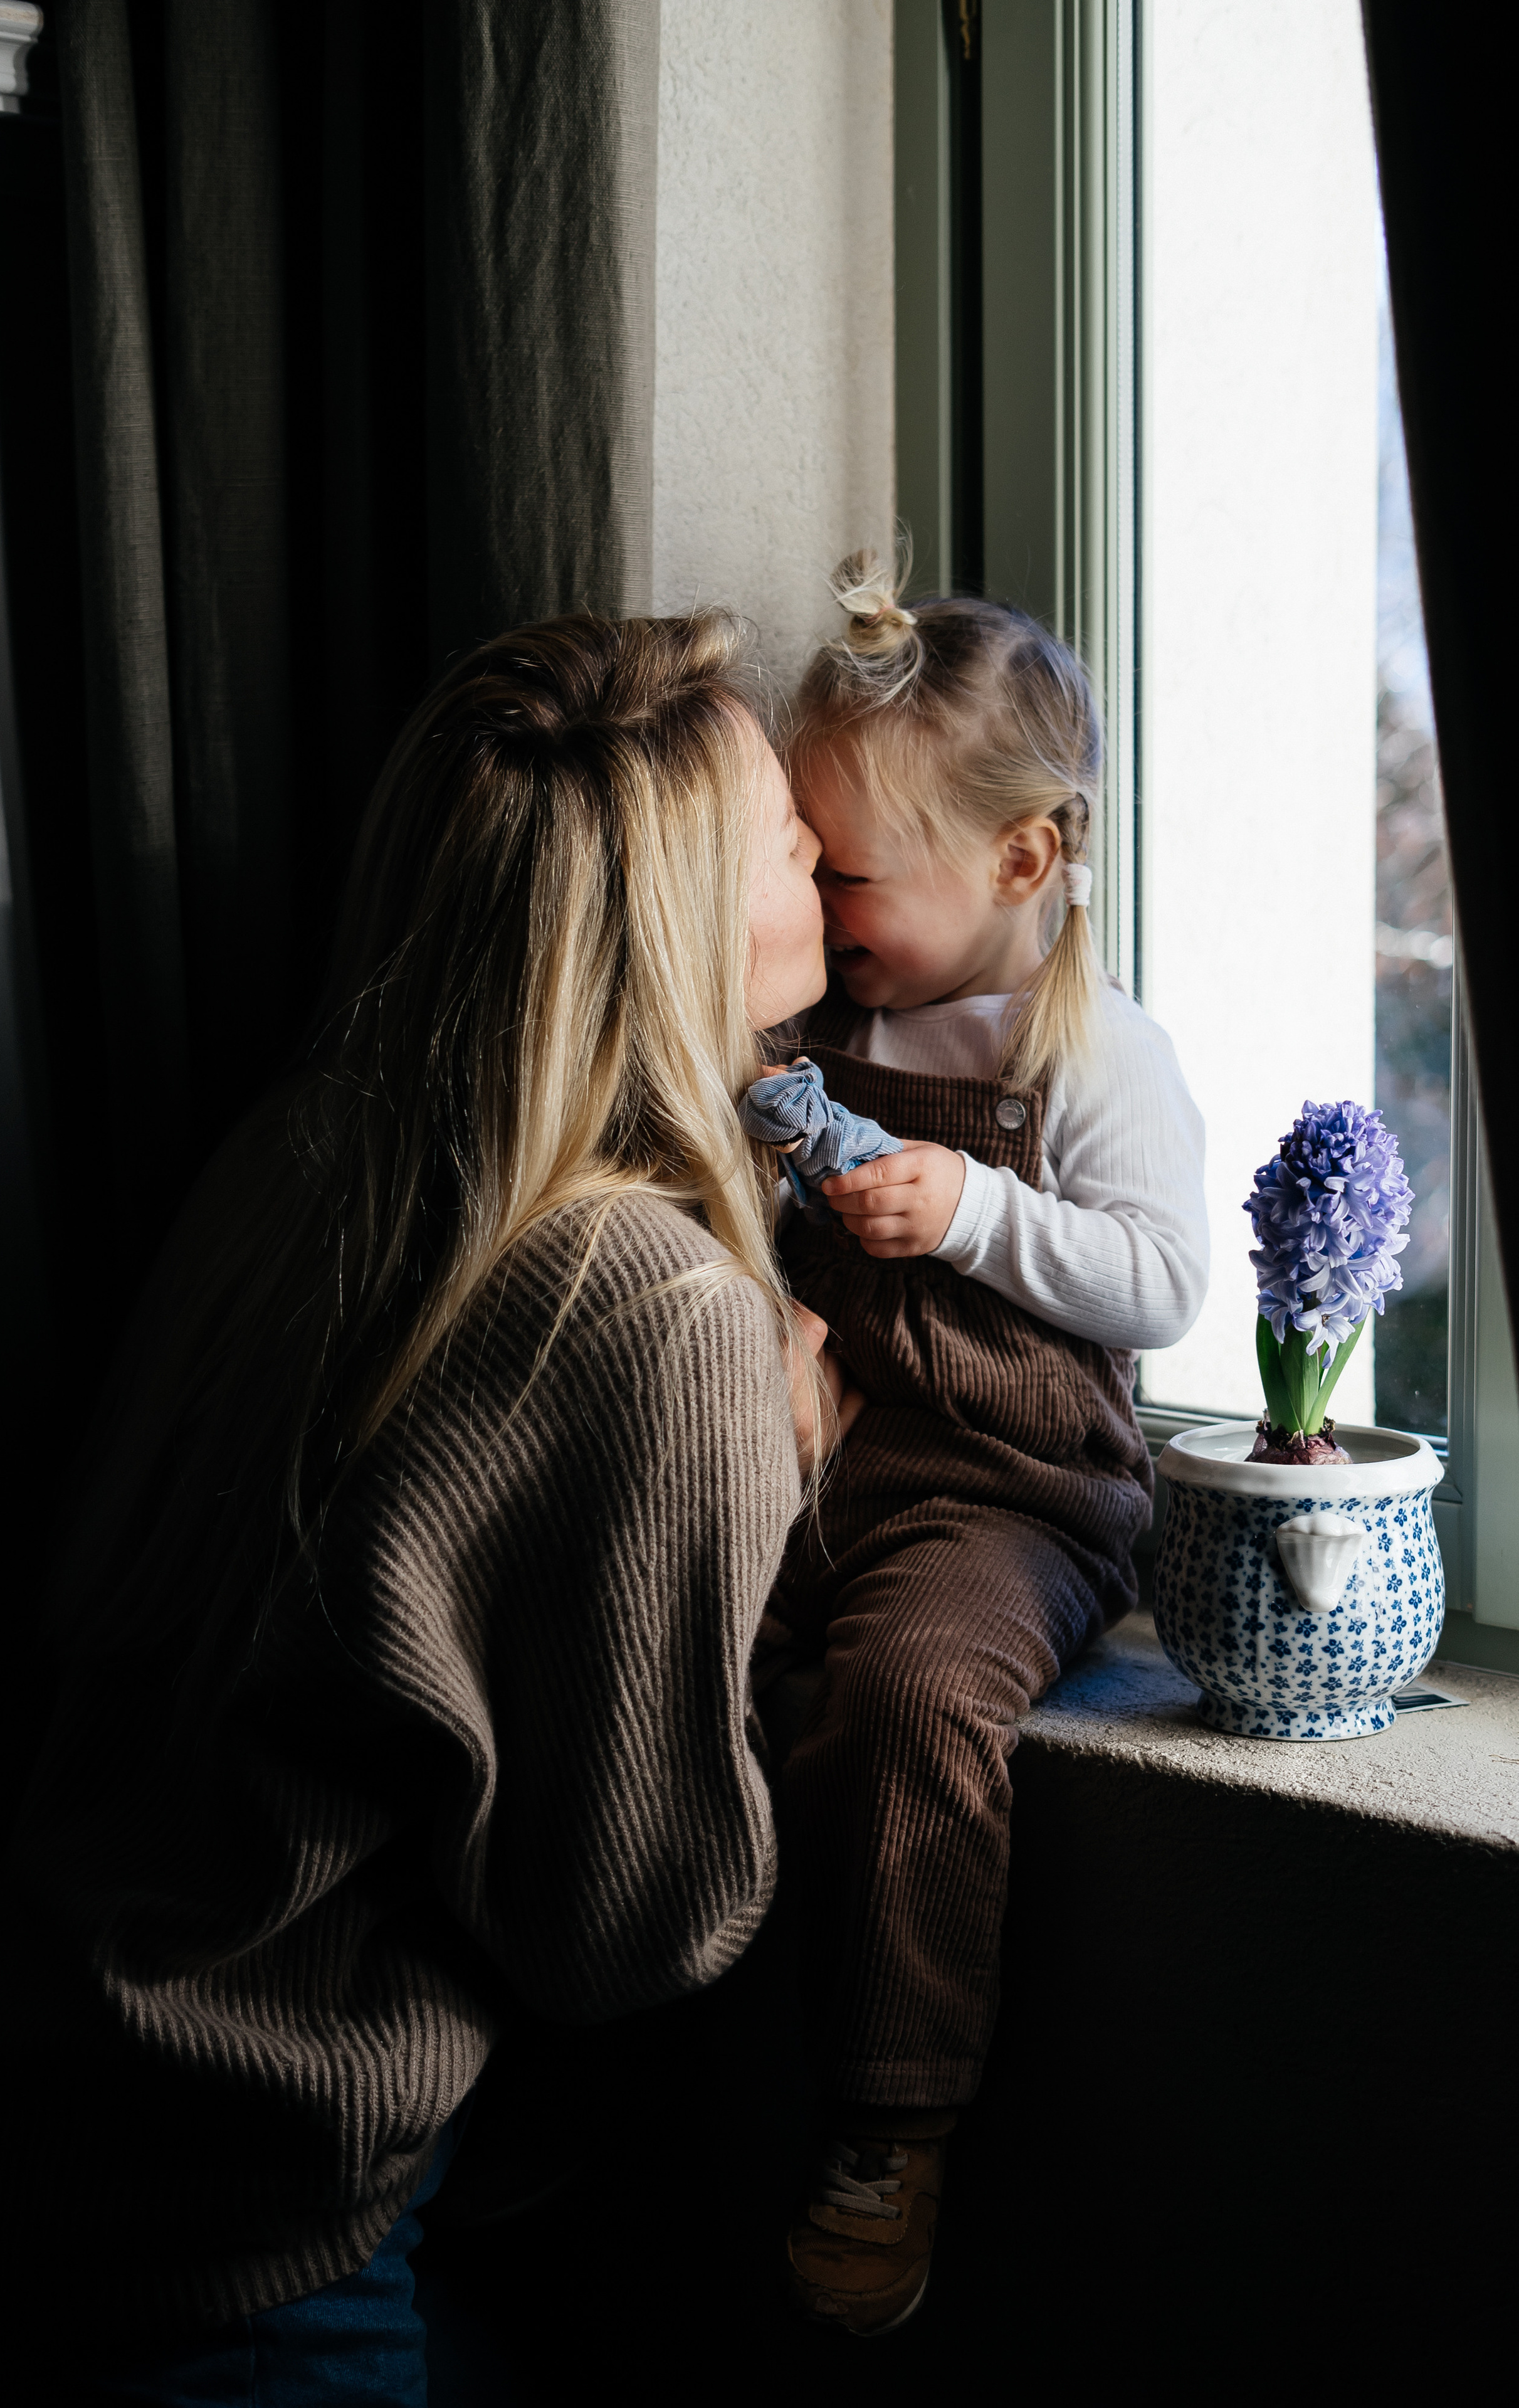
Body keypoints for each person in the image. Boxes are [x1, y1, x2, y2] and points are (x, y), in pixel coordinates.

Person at [0, 611, 841, 2401]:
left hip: (29, 2122)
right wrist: (779, 1475)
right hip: (257, 2244)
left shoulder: (307, 1155)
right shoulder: (659, 1314)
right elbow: (630, 1929)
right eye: (778, 834)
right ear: (674, 912)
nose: (821, 839)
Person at [762, 553, 1209, 2337]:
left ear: (1022, 860)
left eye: (847, 870)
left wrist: (967, 1214)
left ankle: (895, 2119)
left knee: (912, 1696)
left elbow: (1164, 1283)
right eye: (800, 856)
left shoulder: (1087, 1055)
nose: (819, 895)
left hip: (1013, 1494)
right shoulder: (838, 1026)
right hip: (835, 1459)